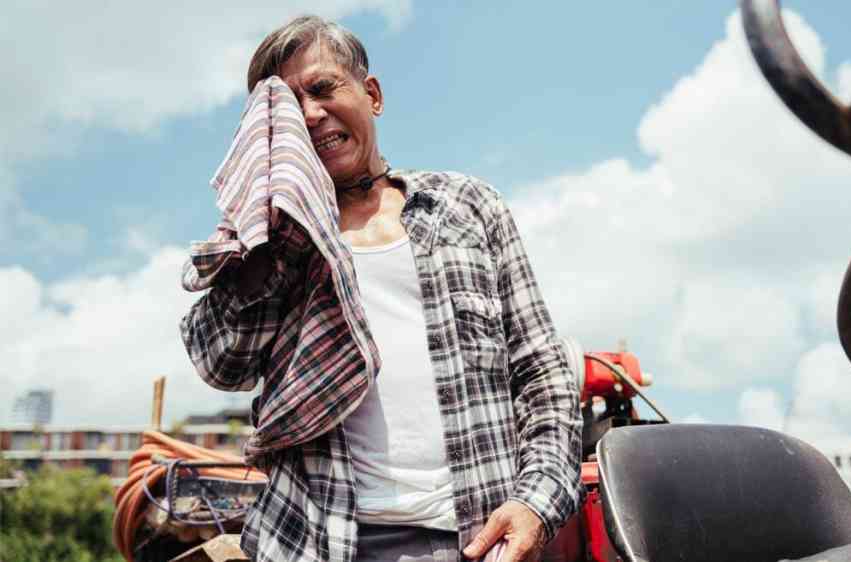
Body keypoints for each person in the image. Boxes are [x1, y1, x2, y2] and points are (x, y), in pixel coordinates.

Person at [180, 15, 582, 562]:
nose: (311, 115)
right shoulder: (273, 240)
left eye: (323, 89)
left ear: (372, 95)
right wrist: (269, 232)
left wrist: (536, 502)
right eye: (287, 110)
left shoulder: (468, 207)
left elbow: (542, 371)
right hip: (320, 543)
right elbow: (221, 365)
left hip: (479, 540)